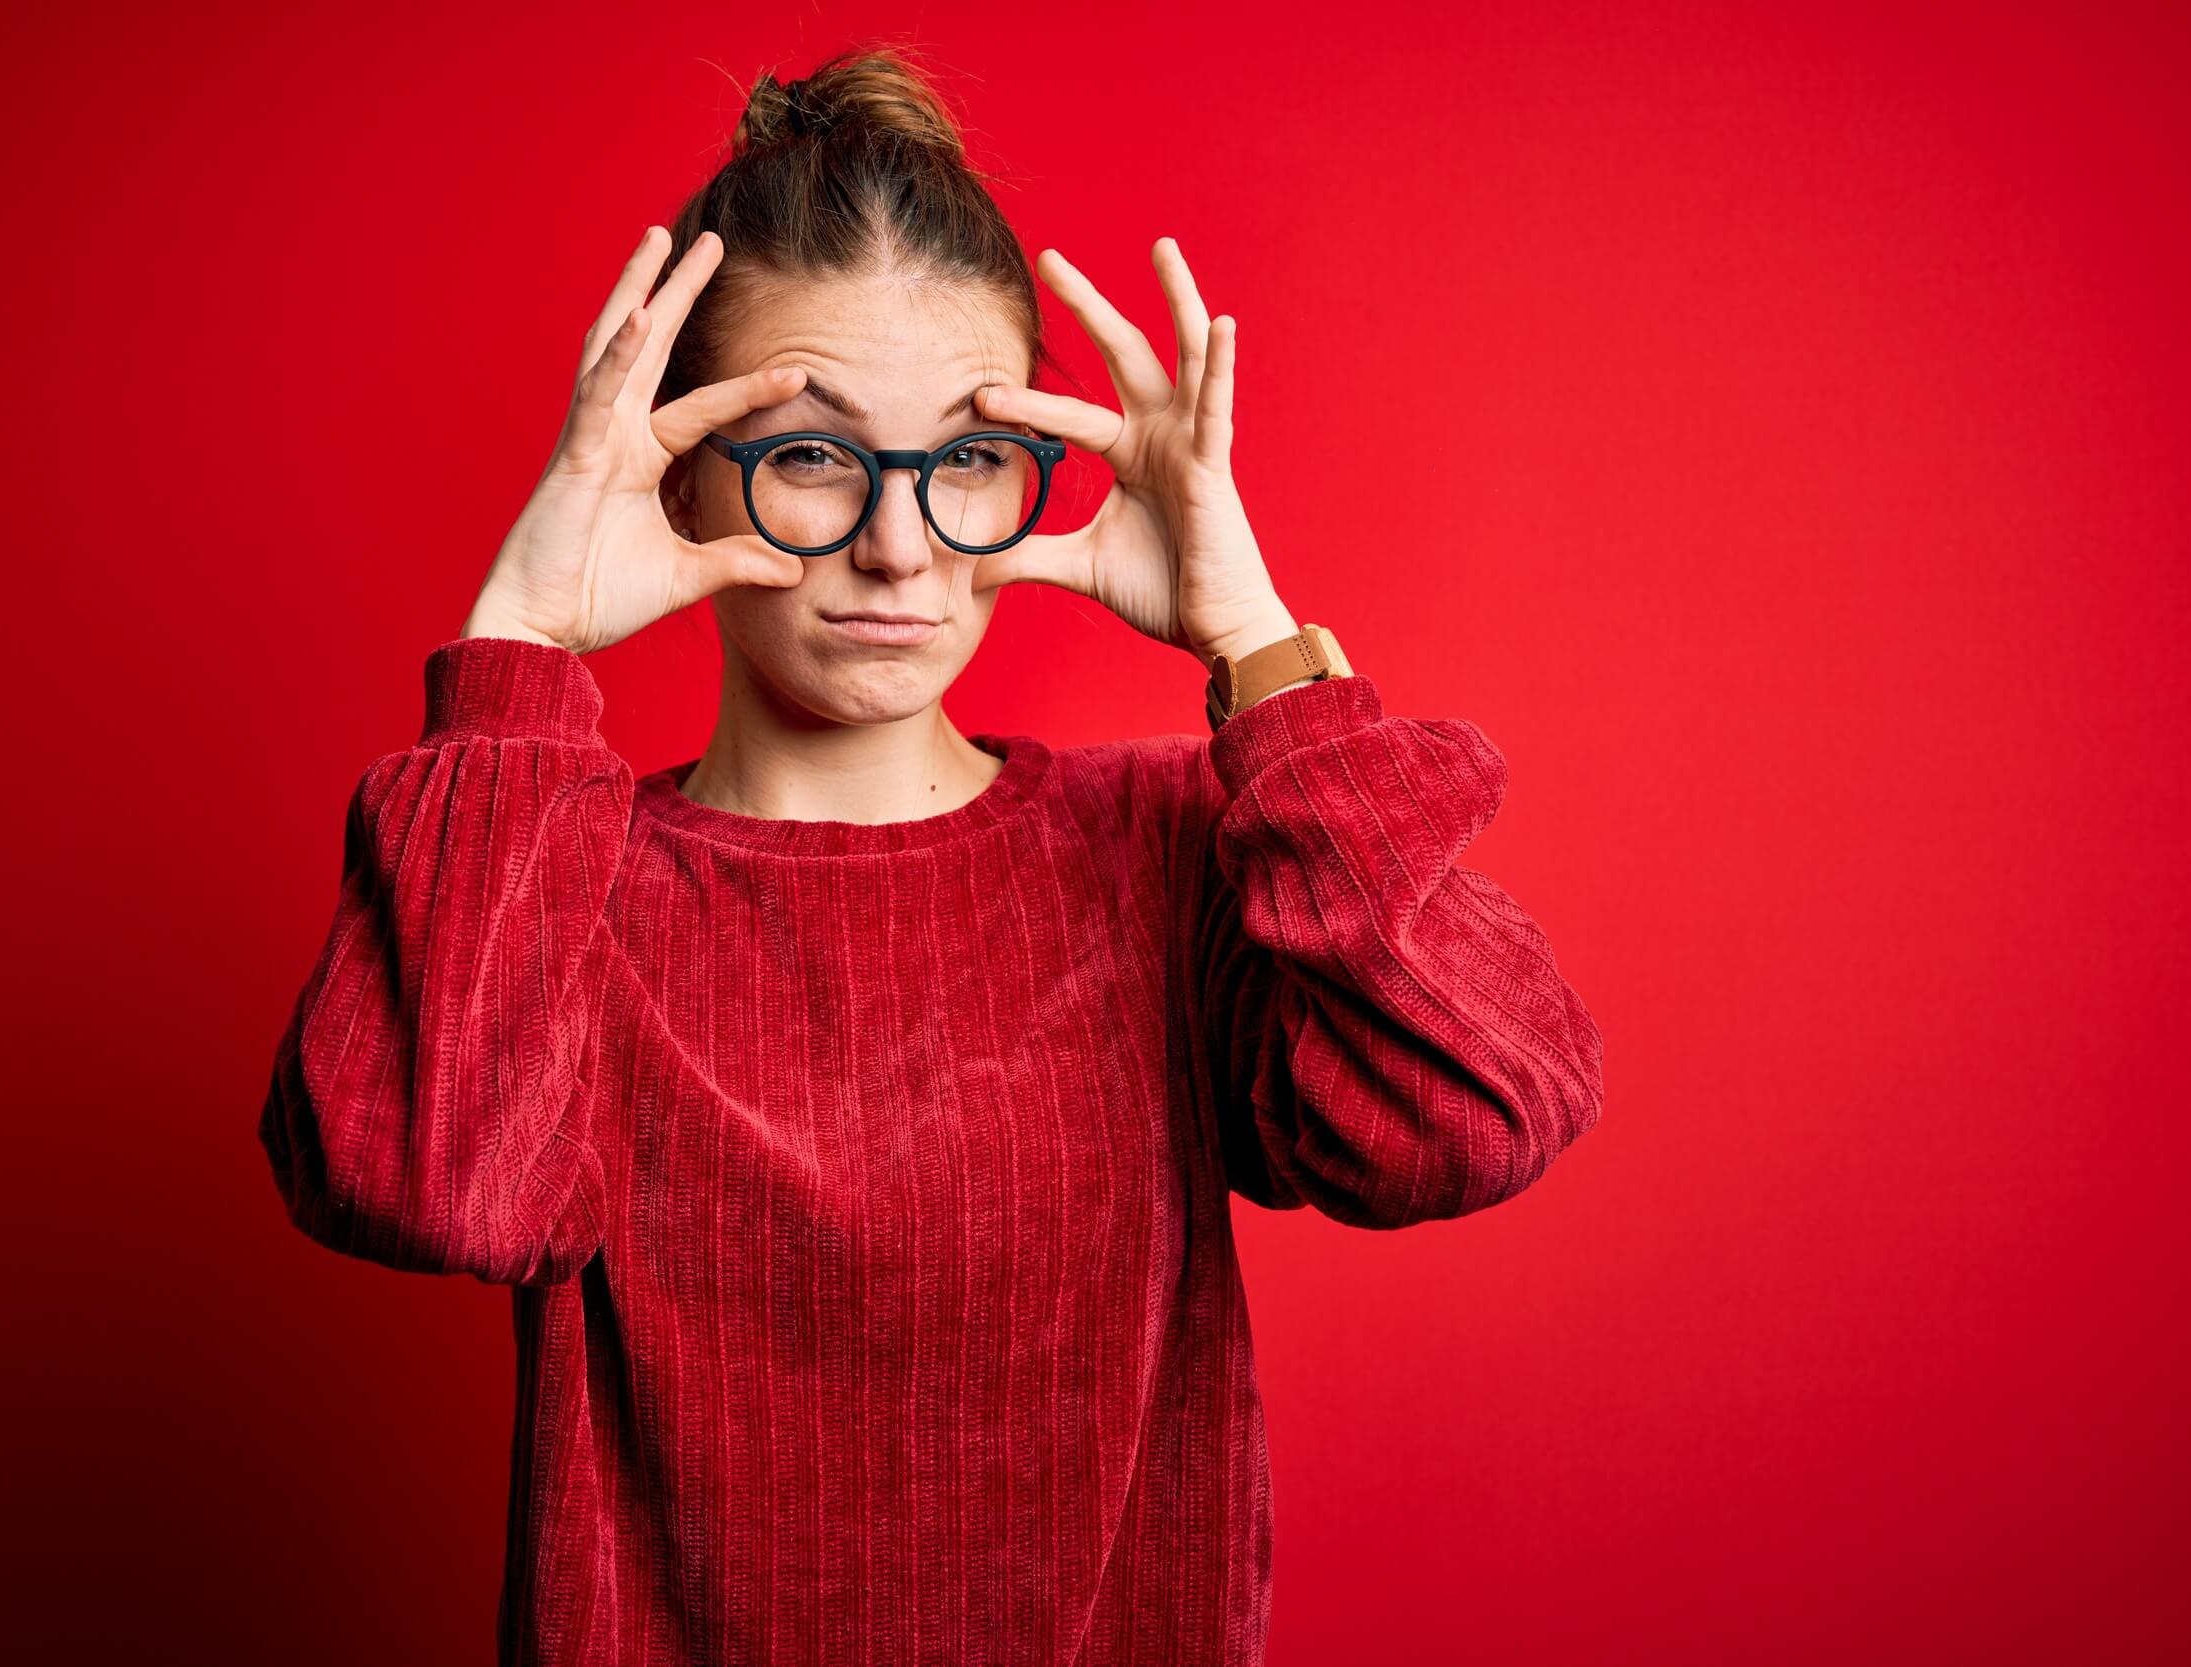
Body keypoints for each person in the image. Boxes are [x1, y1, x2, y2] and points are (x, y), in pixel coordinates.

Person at [258, 42, 1605, 1666]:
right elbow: (419, 1180)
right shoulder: (567, 874)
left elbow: (1467, 1119)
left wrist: (1256, 646)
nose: (900, 548)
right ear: (679, 469)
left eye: (968, 460)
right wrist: (521, 639)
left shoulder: (1172, 853)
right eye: (813, 454)